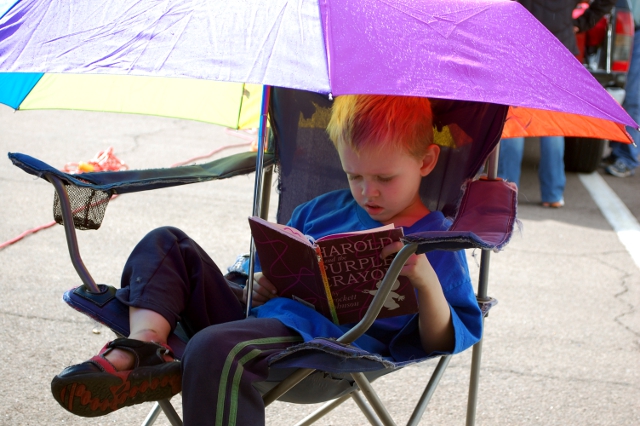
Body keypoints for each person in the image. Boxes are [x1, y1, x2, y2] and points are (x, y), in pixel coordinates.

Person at [50, 95, 483, 424]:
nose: (368, 192)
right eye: (355, 176)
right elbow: (278, 266)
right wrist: (262, 279)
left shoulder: (436, 242)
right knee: (166, 243)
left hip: (328, 349)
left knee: (214, 348)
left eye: (384, 179)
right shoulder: (320, 210)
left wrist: (425, 281)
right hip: (257, 318)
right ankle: (145, 348)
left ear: (426, 161)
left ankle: (173, 355)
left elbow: (442, 339)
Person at [499, 0, 616, 208]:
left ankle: (505, 194)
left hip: (521, 43)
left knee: (516, 121)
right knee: (552, 123)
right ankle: (553, 194)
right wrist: (582, 22)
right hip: (558, 46)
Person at [605, 0, 640, 178]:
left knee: (633, 97)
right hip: (627, 27)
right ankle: (618, 151)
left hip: (635, 30)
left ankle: (627, 158)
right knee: (624, 94)